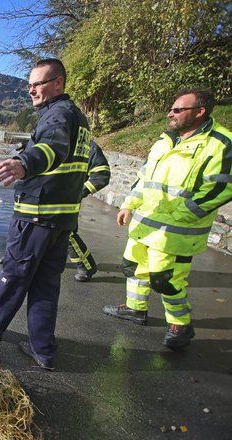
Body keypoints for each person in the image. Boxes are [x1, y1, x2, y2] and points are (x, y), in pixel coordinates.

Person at [0, 58, 92, 370]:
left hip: (37, 215)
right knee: (46, 285)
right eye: (30, 85)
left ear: (58, 83)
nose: (32, 90)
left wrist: (24, 164)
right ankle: (43, 349)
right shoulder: (79, 117)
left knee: (15, 274)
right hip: (62, 219)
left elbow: (51, 148)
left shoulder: (57, 114)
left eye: (39, 84)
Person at [104, 89, 231, 349]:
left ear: (200, 111)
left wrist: (180, 215)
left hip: (177, 231)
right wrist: (129, 204)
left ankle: (180, 325)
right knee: (133, 267)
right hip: (145, 225)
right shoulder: (164, 141)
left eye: (177, 110)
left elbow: (220, 189)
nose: (170, 113)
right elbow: (144, 177)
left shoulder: (220, 143)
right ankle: (135, 309)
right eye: (171, 109)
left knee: (166, 279)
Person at [69, 139, 111, 282]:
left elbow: (102, 174)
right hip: (40, 197)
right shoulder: (49, 138)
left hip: (67, 201)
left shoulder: (86, 145)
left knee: (67, 234)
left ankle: (86, 266)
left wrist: (79, 192)